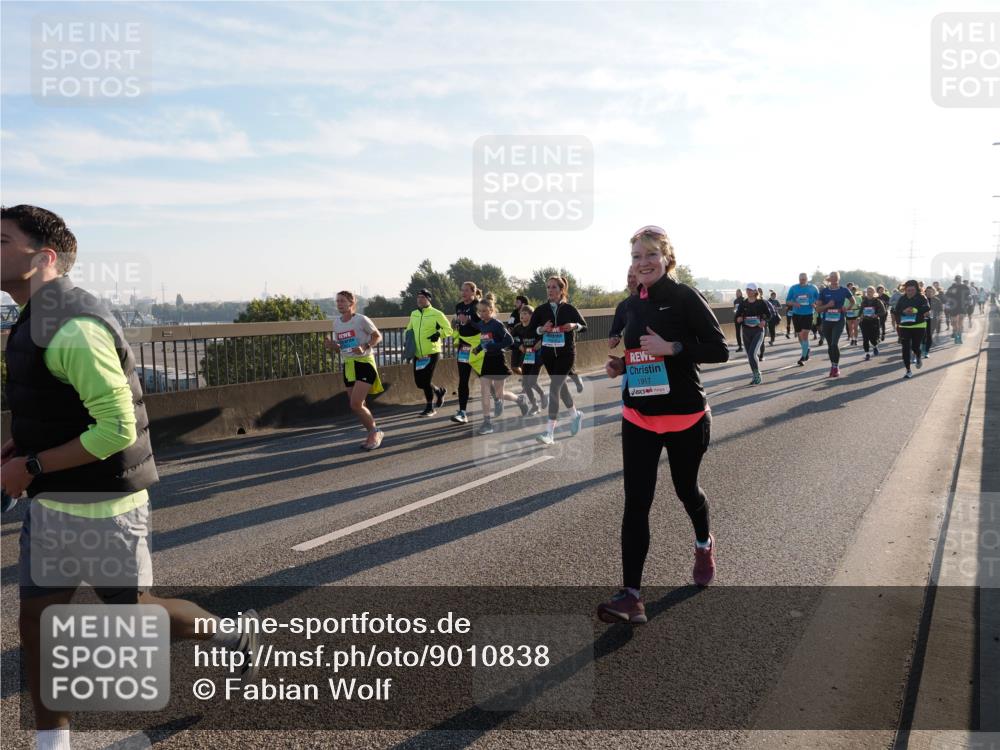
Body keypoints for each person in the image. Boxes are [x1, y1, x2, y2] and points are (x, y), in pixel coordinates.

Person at [1, 205, 260, 750]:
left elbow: (116, 428)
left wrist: (31, 466)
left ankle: (231, 631)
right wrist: (24, 443)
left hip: (104, 507)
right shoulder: (34, 314)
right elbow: (61, 405)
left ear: (44, 257)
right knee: (37, 625)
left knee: (133, 615)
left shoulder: (72, 324)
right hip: (53, 505)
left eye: (0, 240)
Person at [598, 224, 729, 624]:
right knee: (636, 502)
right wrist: (622, 364)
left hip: (685, 415)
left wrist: (673, 347)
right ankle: (631, 596)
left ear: (666, 258)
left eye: (650, 255)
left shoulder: (684, 296)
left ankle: (704, 544)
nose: (643, 263)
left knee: (685, 489)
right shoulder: (632, 304)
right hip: (639, 414)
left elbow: (719, 350)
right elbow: (640, 353)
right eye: (637, 257)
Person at [527, 276, 587, 445]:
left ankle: (549, 433)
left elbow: (585, 326)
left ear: (562, 290)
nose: (550, 290)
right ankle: (575, 415)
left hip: (566, 353)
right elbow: (530, 331)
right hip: (548, 354)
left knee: (554, 388)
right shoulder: (541, 310)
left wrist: (574, 326)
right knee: (560, 388)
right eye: (548, 287)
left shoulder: (569, 309)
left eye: (554, 287)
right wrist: (541, 329)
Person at [327, 291, 384, 450]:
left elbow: (377, 336)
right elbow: (342, 347)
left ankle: (375, 431)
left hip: (364, 362)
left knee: (356, 403)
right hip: (348, 365)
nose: (339, 304)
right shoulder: (336, 323)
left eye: (343, 301)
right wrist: (333, 347)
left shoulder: (361, 320)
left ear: (351, 303)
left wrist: (365, 346)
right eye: (337, 301)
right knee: (357, 405)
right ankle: (371, 432)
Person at [472, 294, 528, 434]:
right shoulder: (482, 324)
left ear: (491, 310)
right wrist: (479, 348)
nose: (482, 314)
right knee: (484, 391)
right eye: (480, 311)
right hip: (487, 360)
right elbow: (485, 340)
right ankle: (487, 423)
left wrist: (495, 346)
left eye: (484, 311)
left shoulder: (496, 324)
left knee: (499, 394)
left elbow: (509, 341)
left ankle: (519, 400)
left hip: (497, 360)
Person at [405, 289, 453, 417]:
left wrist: (438, 334)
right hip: (418, 354)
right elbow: (409, 330)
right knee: (419, 382)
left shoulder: (437, 314)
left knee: (426, 380)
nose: (419, 299)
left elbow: (449, 330)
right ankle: (439, 391)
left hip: (432, 352)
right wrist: (407, 342)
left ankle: (430, 408)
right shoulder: (414, 314)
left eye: (422, 297)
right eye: (418, 297)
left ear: (428, 299)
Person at [451, 282, 486, 423]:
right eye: (462, 290)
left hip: (478, 347)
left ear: (473, 292)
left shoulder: (479, 305)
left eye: (466, 290)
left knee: (486, 379)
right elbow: (460, 324)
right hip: (464, 347)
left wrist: (470, 321)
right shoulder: (459, 306)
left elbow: (484, 325)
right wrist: (456, 325)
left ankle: (498, 398)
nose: (463, 293)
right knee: (463, 380)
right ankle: (462, 412)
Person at [815, 271, 855, 377]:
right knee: (829, 346)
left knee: (834, 343)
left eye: (835, 277)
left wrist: (846, 308)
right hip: (827, 321)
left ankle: (836, 367)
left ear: (838, 278)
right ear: (829, 278)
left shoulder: (844, 290)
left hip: (839, 320)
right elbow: (818, 309)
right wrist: (827, 305)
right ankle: (833, 365)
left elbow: (853, 301)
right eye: (831, 277)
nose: (833, 279)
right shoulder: (824, 291)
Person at [511, 304, 547, 415]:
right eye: (521, 313)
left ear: (531, 316)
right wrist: (519, 345)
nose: (522, 315)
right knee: (526, 384)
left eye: (525, 313)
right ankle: (535, 406)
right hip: (526, 357)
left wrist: (540, 343)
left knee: (532, 381)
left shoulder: (537, 327)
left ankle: (542, 394)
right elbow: (512, 339)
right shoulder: (517, 327)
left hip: (537, 357)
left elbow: (547, 335)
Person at [894, 280, 930, 379]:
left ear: (917, 289)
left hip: (919, 326)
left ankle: (918, 356)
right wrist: (903, 311)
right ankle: (908, 370)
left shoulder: (921, 297)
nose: (910, 292)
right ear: (905, 289)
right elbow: (896, 311)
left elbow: (927, 308)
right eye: (908, 290)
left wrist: (915, 310)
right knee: (905, 348)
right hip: (905, 326)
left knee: (915, 347)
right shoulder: (902, 299)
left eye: (912, 290)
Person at [735, 284, 770, 384]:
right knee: (750, 356)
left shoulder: (761, 303)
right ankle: (755, 374)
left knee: (752, 353)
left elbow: (769, 315)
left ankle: (757, 374)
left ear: (755, 291)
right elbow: (737, 316)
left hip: (758, 331)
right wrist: (739, 319)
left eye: (751, 290)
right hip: (746, 331)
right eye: (747, 290)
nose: (749, 291)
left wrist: (764, 321)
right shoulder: (743, 303)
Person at [785, 272, 820, 366]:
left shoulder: (813, 288)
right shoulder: (794, 288)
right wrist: (794, 304)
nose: (802, 281)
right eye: (801, 279)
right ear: (798, 279)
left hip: (808, 314)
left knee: (804, 335)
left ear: (807, 279)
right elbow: (787, 301)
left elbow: (819, 299)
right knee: (800, 336)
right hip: (796, 314)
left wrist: (815, 303)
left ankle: (803, 357)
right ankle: (806, 349)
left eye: (804, 279)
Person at [609, 270, 638, 348]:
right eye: (629, 277)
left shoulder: (655, 301)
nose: (631, 280)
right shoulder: (622, 306)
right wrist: (614, 337)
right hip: (633, 357)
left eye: (635, 276)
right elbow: (615, 331)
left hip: (657, 355)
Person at [859, 286, 886, 360]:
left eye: (871, 291)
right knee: (865, 338)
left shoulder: (878, 301)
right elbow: (860, 312)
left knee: (873, 338)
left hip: (874, 321)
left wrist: (876, 315)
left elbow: (883, 312)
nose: (869, 293)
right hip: (865, 321)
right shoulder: (864, 301)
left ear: (874, 292)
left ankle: (875, 346)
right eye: (868, 291)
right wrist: (860, 316)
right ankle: (867, 353)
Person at [945, 275, 971, 344]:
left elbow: (968, 295)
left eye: (959, 279)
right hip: (953, 307)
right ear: (955, 280)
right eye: (957, 279)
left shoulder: (965, 287)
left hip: (962, 307)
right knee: (954, 324)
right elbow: (947, 296)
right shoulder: (951, 287)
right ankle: (956, 335)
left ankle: (959, 337)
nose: (958, 280)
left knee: (960, 322)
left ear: (961, 280)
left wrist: (967, 303)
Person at [924, 285, 942, 358]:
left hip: (933, 320)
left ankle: (926, 350)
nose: (929, 293)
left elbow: (940, 310)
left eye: (930, 291)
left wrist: (939, 316)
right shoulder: (923, 299)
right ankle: (924, 346)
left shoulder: (937, 300)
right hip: (923, 319)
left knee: (929, 333)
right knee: (923, 334)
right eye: (927, 291)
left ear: (934, 292)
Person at [732, 288, 745, 352]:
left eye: (738, 293)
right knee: (737, 333)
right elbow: (735, 308)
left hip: (743, 318)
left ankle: (747, 344)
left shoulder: (744, 300)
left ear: (741, 293)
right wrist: (734, 311)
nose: (737, 294)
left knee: (745, 332)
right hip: (736, 318)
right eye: (736, 293)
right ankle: (740, 346)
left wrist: (742, 316)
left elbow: (745, 309)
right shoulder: (735, 301)